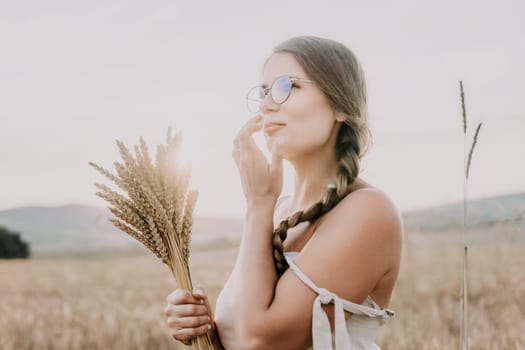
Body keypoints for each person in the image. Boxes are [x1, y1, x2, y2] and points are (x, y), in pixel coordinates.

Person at [164, 35, 403, 350]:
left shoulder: (369, 211)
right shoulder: (280, 212)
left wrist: (258, 204)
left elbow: (259, 341)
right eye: (264, 92)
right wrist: (203, 329)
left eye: (286, 87)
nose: (266, 105)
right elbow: (241, 336)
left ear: (341, 106)